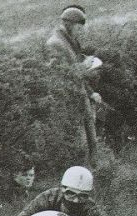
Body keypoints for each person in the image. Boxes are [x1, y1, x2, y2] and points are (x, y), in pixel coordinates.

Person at [46, 5, 102, 166]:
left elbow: (75, 68)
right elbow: (62, 74)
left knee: (91, 141)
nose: (80, 31)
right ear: (69, 24)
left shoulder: (68, 41)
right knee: (80, 143)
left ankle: (93, 176)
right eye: (78, 27)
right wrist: (85, 65)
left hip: (80, 95)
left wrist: (91, 93)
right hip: (70, 101)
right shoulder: (55, 43)